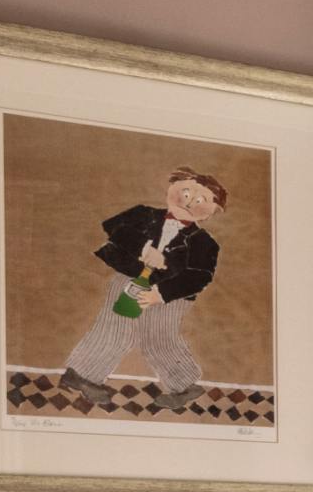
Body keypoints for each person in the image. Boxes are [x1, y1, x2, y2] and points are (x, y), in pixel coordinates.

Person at [64, 167, 227, 406]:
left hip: (169, 296)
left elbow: (199, 277)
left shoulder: (204, 242)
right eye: (186, 193)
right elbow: (113, 226)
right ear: (172, 188)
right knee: (113, 329)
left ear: (212, 211)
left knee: (159, 337)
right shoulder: (144, 214)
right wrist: (143, 248)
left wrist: (160, 294)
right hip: (127, 279)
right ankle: (82, 376)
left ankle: (183, 386)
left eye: (200, 201)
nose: (189, 202)